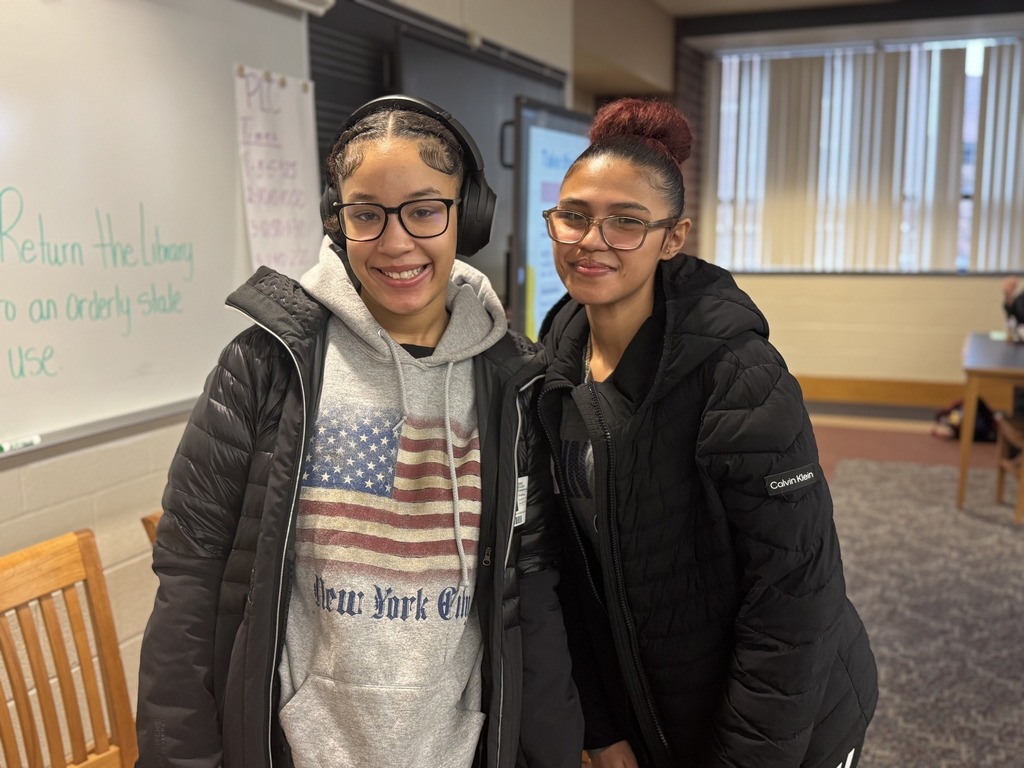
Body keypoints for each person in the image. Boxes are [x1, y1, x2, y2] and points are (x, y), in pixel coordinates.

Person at [135, 94, 583, 768]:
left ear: (470, 216)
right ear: (336, 219)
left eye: (426, 210)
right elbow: (189, 575)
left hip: (458, 749)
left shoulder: (511, 385)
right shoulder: (264, 367)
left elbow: (534, 586)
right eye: (367, 214)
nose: (396, 242)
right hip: (295, 747)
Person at [535, 98, 878, 768]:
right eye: (573, 216)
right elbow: (565, 562)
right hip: (653, 703)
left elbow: (794, 600)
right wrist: (600, 729)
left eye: (626, 223)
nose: (591, 241)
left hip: (785, 722)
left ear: (673, 236)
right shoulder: (555, 354)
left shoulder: (739, 376)